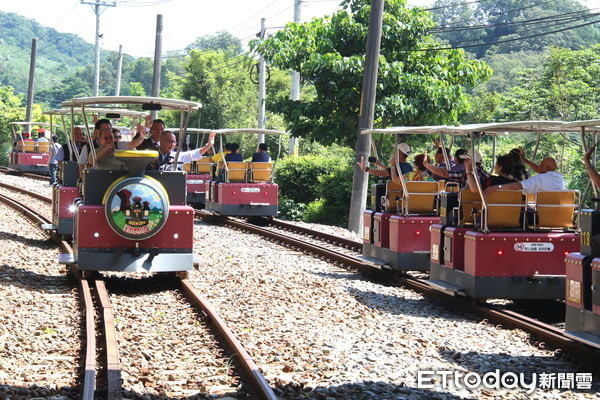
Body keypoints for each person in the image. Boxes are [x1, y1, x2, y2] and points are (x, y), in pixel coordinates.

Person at [484, 148, 565, 194]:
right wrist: (524, 159)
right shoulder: (559, 178)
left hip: (544, 213)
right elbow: (540, 170)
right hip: (561, 214)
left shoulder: (539, 179)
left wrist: (498, 187)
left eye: (541, 164)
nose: (538, 166)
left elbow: (519, 186)